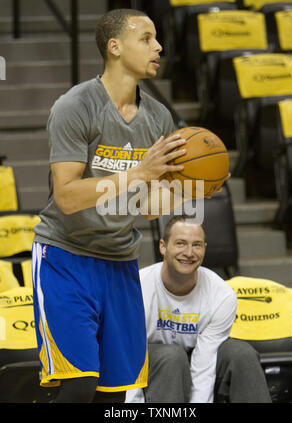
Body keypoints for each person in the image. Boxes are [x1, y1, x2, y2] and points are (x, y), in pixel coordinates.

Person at [31, 8, 188, 403]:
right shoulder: (75, 106)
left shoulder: (159, 117)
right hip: (65, 258)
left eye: (157, 39)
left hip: (120, 261)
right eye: (147, 38)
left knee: (113, 394)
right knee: (79, 386)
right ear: (114, 47)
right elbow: (66, 195)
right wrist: (138, 172)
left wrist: (187, 191)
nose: (159, 47)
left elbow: (150, 208)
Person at [126, 215, 272, 403]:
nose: (189, 252)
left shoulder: (222, 295)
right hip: (151, 360)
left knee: (242, 354)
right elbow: (129, 355)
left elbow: (205, 359)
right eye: (180, 243)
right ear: (163, 246)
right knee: (171, 357)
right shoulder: (136, 288)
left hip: (200, 355)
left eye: (196, 245)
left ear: (204, 249)